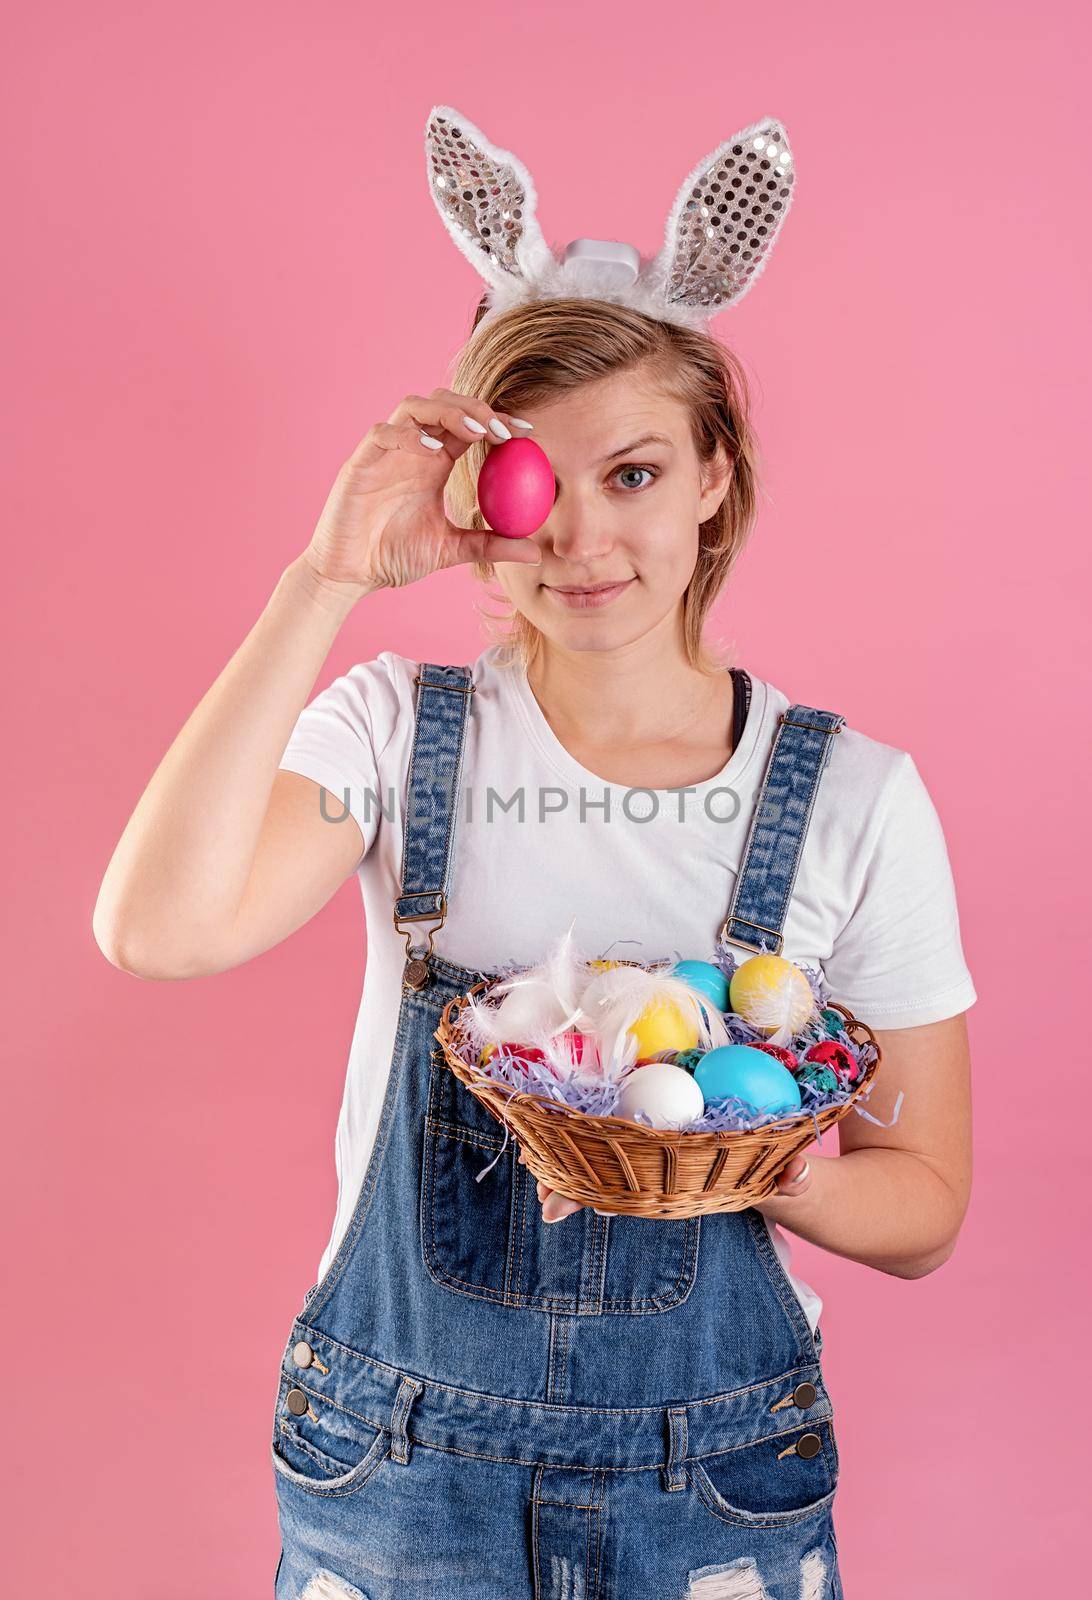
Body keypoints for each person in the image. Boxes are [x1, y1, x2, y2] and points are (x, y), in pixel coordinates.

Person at [93, 108, 976, 1600]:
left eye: (631, 474)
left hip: (717, 1484)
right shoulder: (393, 736)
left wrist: (752, 1164)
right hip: (399, 1467)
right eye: (529, 485)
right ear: (471, 502)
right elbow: (157, 930)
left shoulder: (852, 802)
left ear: (715, 477)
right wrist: (324, 580)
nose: (578, 537)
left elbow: (927, 1199)